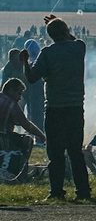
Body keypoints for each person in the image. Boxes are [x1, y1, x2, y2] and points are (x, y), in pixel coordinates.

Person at [18, 14, 90, 201]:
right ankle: (83, 191)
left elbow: (32, 78)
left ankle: (57, 191)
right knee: (76, 151)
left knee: (55, 153)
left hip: (54, 108)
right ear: (67, 31)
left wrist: (25, 61)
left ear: (50, 36)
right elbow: (72, 39)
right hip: (75, 107)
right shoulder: (79, 47)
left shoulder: (48, 53)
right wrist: (58, 24)